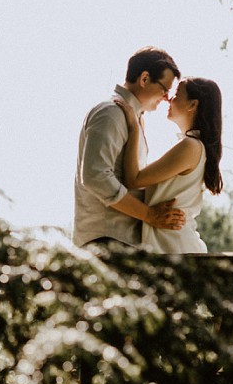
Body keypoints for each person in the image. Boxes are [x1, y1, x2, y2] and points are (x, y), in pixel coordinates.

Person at [72, 47, 186, 247]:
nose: (167, 97)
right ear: (144, 79)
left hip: (118, 240)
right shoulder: (110, 113)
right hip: (105, 240)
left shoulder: (132, 118)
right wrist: (149, 214)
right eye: (165, 89)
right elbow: (95, 176)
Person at [114, 77, 223, 253]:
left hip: (176, 246)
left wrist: (134, 128)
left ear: (192, 104)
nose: (168, 99)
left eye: (176, 94)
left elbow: (133, 179)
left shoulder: (191, 146)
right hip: (171, 245)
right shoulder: (193, 146)